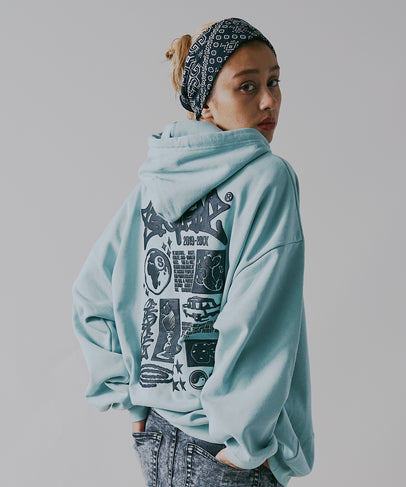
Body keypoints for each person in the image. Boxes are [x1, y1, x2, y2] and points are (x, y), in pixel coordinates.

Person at [72, 17, 315, 487]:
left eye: (274, 81)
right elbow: (255, 322)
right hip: (225, 450)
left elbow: (91, 296)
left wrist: (136, 404)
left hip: (159, 438)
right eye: (247, 86)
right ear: (205, 101)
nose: (269, 100)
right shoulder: (268, 177)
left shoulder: (154, 182)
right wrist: (243, 448)